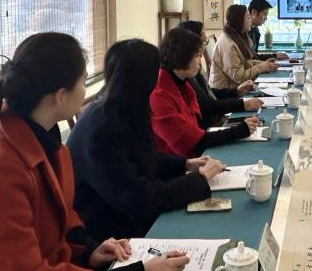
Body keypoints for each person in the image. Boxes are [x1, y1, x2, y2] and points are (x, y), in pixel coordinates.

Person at [0, 32, 188, 271]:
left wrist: (88, 250)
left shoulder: (42, 135)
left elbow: (60, 214)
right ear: (61, 96)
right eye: (83, 82)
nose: (87, 91)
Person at [68, 39, 226, 241]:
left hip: (129, 212)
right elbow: (140, 198)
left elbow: (143, 155)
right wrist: (200, 179)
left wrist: (185, 164)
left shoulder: (123, 106)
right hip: (110, 232)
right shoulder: (101, 129)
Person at [152, 27, 260, 157]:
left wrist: (236, 93)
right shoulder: (159, 95)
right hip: (181, 161)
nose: (200, 61)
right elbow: (193, 142)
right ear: (182, 56)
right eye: (197, 56)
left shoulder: (182, 82)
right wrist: (240, 130)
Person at [177, 20, 263, 127]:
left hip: (216, 117)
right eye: (204, 41)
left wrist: (236, 91)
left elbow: (208, 94)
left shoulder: (192, 69)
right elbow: (205, 105)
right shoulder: (185, 73)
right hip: (210, 125)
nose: (204, 46)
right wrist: (242, 104)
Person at [209, 4, 278, 89]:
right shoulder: (228, 44)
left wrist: (264, 64)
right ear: (239, 21)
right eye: (248, 18)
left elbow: (246, 63)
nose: (250, 21)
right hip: (227, 92)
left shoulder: (237, 37)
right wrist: (261, 67)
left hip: (236, 88)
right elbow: (239, 77)